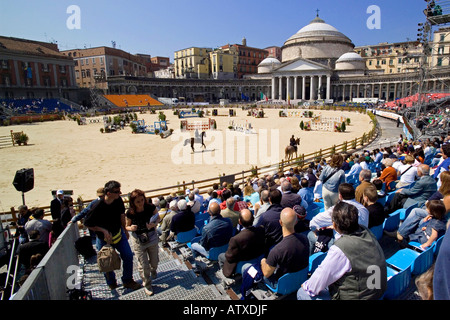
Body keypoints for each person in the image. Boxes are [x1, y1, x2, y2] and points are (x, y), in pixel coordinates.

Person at [297, 202, 387, 300]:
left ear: (334, 225)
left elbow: (313, 286)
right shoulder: (366, 231)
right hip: (377, 292)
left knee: (303, 293)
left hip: (361, 296)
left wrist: (306, 285)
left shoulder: (341, 248)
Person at [83, 180, 142, 291]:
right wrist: (102, 230)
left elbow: (121, 215)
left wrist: (124, 229)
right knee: (106, 261)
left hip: (119, 235)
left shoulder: (118, 200)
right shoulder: (96, 206)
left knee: (128, 256)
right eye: (117, 191)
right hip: (103, 239)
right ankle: (111, 283)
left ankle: (128, 280)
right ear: (108, 193)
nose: (119, 193)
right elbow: (87, 224)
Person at [308, 183, 369, 254]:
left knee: (310, 235)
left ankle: (310, 259)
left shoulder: (336, 210)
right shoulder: (364, 209)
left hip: (343, 246)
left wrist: (314, 229)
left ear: (340, 195)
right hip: (361, 241)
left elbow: (313, 223)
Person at [260, 207, 309, 287]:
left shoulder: (277, 250)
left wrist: (263, 261)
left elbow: (266, 273)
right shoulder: (305, 238)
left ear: (280, 222)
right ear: (296, 222)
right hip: (301, 278)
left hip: (284, 285)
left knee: (261, 273)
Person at [125, 189, 160, 296]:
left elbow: (158, 218)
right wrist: (131, 228)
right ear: (133, 203)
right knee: (144, 264)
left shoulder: (150, 207)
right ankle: (147, 284)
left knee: (154, 261)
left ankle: (153, 270)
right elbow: (126, 226)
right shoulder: (130, 212)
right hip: (138, 239)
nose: (141, 203)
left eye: (142, 200)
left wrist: (153, 224)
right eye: (138, 202)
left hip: (151, 236)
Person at [218, 209, 265, 278]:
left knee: (221, 256)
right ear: (253, 219)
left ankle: (227, 275)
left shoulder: (235, 239)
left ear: (239, 222)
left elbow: (230, 258)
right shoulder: (261, 229)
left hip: (243, 262)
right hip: (257, 258)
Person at [189, 202, 233, 272]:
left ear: (209, 212)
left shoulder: (206, 228)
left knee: (193, 245)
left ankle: (198, 266)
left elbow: (204, 245)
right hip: (226, 249)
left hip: (213, 254)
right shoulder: (229, 221)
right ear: (220, 211)